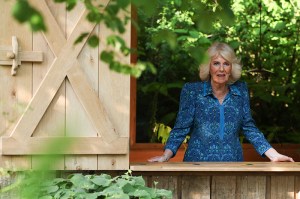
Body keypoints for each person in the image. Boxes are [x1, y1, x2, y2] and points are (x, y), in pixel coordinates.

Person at [148, 42, 294, 162]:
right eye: (216, 63)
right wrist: (165, 156)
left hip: (233, 165)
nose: (221, 69)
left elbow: (249, 128)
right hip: (197, 165)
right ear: (208, 67)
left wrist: (273, 155)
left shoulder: (240, 91)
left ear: (232, 68)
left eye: (226, 64)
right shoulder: (192, 91)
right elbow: (181, 128)